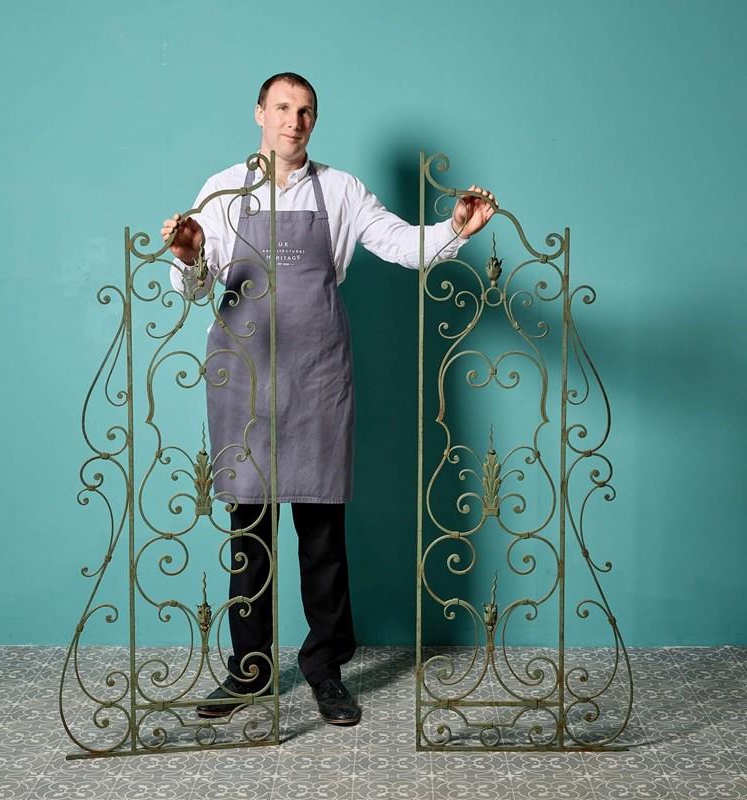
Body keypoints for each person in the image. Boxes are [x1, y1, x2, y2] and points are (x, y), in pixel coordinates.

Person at [161, 72, 496, 726]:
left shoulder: (341, 190)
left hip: (316, 376)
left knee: (322, 535)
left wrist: (456, 227)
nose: (294, 120)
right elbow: (195, 286)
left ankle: (325, 669)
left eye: (306, 110)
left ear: (314, 120)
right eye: (283, 107)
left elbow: (401, 244)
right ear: (260, 113)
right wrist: (189, 254)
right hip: (245, 377)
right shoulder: (222, 190)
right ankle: (250, 670)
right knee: (249, 532)